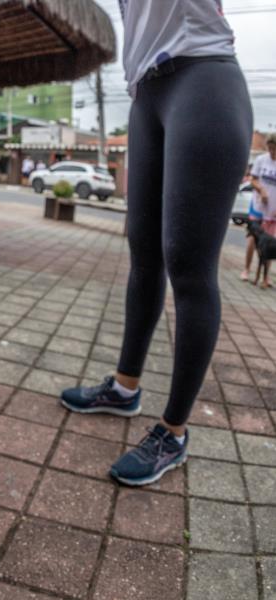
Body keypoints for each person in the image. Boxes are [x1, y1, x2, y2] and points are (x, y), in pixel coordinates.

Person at [60, 0, 253, 486]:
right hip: (146, 95)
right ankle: (125, 389)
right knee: (143, 256)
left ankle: (174, 429)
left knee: (189, 266)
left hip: (202, 79)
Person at [243, 134, 276, 286]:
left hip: (273, 211)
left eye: (275, 149)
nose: (272, 152)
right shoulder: (261, 160)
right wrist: (261, 190)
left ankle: (265, 278)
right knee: (252, 239)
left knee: (269, 244)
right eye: (270, 149)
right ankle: (246, 269)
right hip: (258, 206)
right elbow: (253, 179)